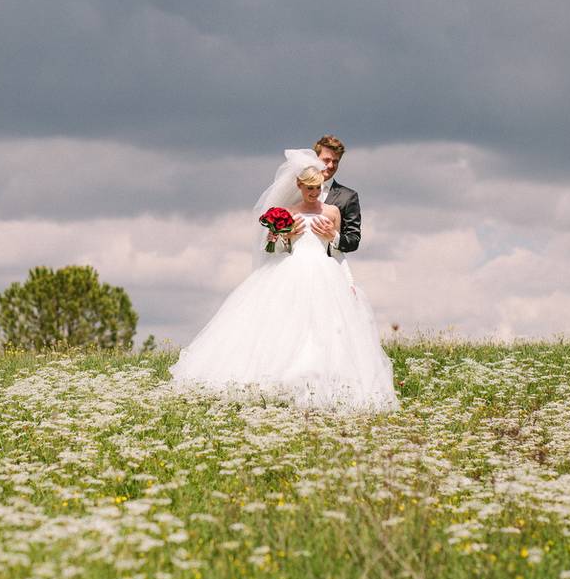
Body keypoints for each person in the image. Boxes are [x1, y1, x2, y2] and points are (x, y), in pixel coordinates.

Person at [169, 138, 399, 413]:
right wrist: (284, 236)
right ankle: (279, 382)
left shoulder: (344, 199)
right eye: (326, 160)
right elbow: (275, 245)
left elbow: (352, 241)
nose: (330, 166)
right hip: (293, 270)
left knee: (330, 329)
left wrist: (333, 238)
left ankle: (327, 386)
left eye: (335, 162)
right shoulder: (290, 202)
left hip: (328, 271)